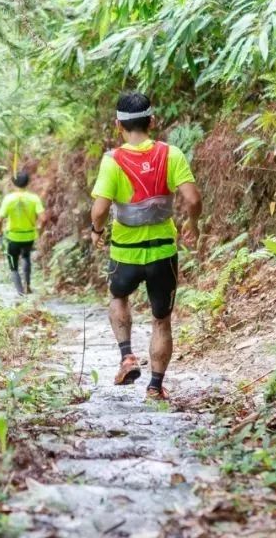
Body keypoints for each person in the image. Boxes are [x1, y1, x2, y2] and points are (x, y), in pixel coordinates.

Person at [90, 92, 202, 401]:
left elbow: (99, 210)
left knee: (118, 296)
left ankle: (127, 356)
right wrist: (193, 225)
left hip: (124, 253)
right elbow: (193, 199)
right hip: (163, 253)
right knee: (161, 320)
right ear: (152, 121)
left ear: (118, 125)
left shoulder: (112, 161)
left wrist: (96, 231)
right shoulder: (171, 154)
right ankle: (155, 386)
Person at [0, 171, 46, 295]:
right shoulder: (34, 198)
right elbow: (43, 218)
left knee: (13, 264)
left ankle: (20, 292)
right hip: (29, 235)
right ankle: (27, 286)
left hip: (12, 237)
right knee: (26, 257)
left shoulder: (8, 199)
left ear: (13, 183)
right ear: (28, 183)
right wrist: (40, 229)